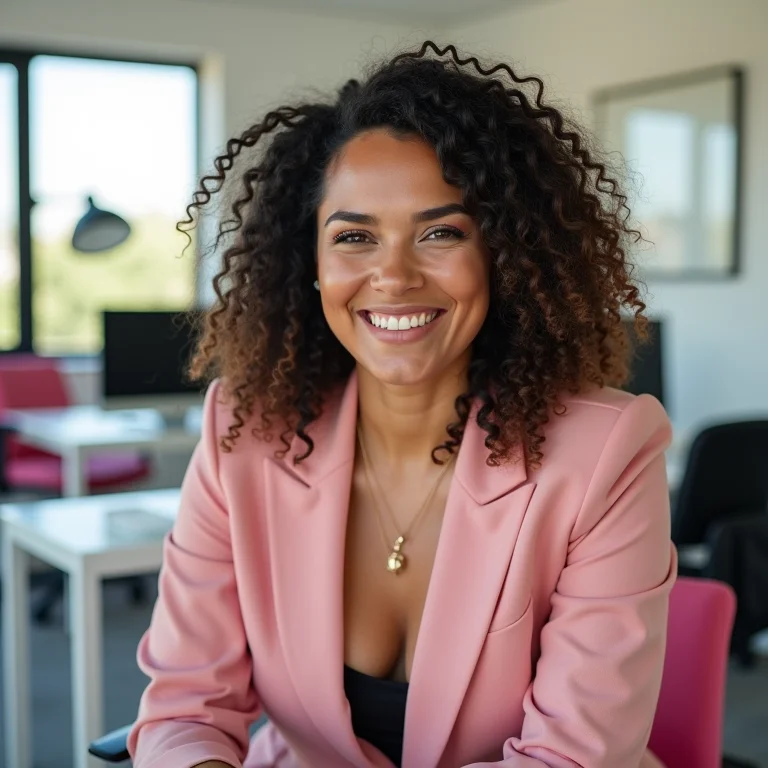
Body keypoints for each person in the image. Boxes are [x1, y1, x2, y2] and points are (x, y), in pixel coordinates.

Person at [127, 40, 676, 768]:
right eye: (354, 236)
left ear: (500, 255)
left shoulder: (606, 454)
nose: (393, 275)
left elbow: (570, 757)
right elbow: (186, 705)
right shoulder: (244, 433)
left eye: (440, 232)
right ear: (311, 267)